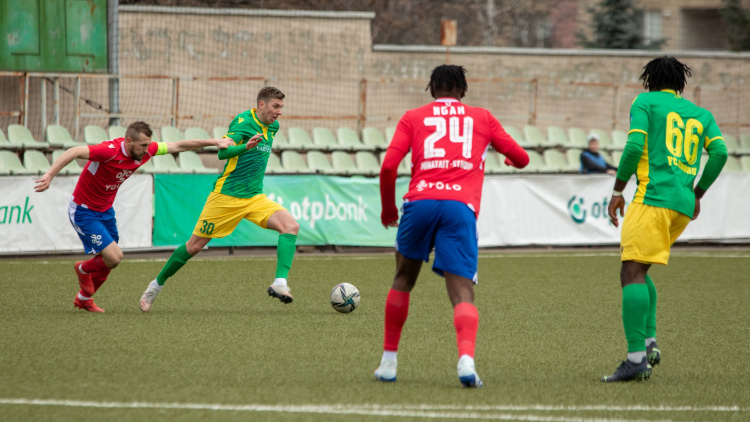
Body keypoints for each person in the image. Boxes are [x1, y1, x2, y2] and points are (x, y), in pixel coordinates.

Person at [376, 65, 529, 388]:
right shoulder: (482, 117)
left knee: (403, 279)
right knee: (462, 293)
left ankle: (388, 363)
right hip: (460, 209)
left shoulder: (412, 117)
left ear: (432, 90)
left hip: (419, 204)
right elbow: (522, 157)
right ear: (463, 91)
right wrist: (510, 159)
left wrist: (388, 208)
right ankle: (466, 362)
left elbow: (389, 165)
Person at [603, 56, 728, 382]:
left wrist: (618, 190)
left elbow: (633, 146)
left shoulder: (645, 102)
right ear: (680, 84)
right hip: (682, 206)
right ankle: (648, 343)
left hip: (652, 199)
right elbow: (720, 153)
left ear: (650, 80)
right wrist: (698, 192)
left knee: (630, 270)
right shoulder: (701, 114)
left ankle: (635, 359)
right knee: (641, 269)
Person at [34, 121, 232, 312]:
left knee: (109, 260)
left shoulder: (146, 150)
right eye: (142, 145)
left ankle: (84, 299)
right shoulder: (109, 151)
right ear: (128, 141)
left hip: (106, 211)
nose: (147, 150)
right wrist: (50, 175)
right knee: (114, 256)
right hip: (83, 210)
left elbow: (179, 144)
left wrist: (214, 141)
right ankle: (83, 270)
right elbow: (74, 151)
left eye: (148, 145)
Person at [139, 86, 299, 312]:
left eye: (281, 107)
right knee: (194, 246)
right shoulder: (243, 122)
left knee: (290, 226)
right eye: (276, 106)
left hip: (254, 197)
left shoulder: (274, 126)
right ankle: (155, 286)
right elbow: (222, 153)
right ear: (261, 104)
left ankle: (280, 283)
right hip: (226, 197)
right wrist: (246, 146)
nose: (280, 112)